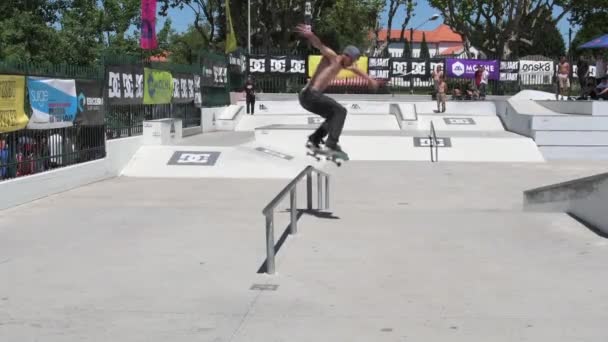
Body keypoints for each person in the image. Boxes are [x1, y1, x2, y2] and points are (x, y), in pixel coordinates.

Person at [295, 24, 378, 155]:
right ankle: (331, 144)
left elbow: (356, 70)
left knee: (333, 116)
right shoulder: (332, 57)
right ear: (347, 56)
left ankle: (314, 139)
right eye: (352, 61)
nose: (352, 64)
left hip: (308, 98)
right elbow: (320, 45)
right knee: (341, 111)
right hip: (310, 95)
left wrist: (369, 79)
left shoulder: (342, 65)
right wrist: (311, 36)